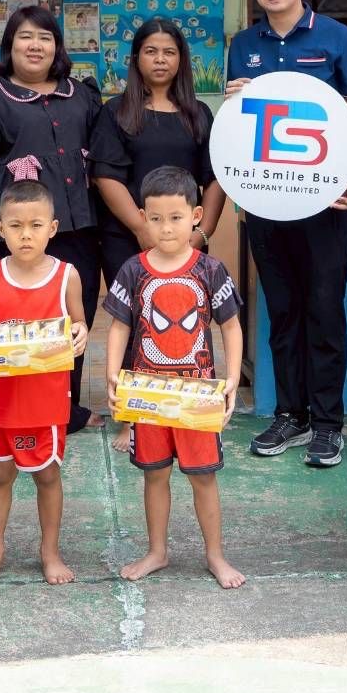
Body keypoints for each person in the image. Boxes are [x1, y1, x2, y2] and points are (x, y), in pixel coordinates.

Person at [225, 0, 347, 467]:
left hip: (324, 202)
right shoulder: (244, 44)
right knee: (282, 312)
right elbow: (244, 123)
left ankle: (328, 423)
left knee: (324, 310)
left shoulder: (338, 37)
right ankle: (291, 415)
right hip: (267, 203)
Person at [0, 5, 104, 433]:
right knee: (14, 321)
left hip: (76, 227)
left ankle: (65, 408)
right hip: (14, 231)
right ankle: (13, 407)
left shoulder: (83, 96)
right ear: (10, 45)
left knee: (71, 317)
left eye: (45, 37)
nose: (35, 45)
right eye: (25, 36)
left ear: (57, 46)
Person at [103, 167, 245, 589]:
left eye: (176, 218)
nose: (166, 228)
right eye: (156, 218)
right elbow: (119, 327)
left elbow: (231, 326)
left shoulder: (210, 270)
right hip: (147, 396)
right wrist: (113, 375)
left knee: (203, 476)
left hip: (198, 396)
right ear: (143, 218)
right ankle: (157, 551)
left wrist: (232, 378)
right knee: (155, 474)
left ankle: (215, 555)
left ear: (196, 216)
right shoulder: (133, 270)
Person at [90, 17, 225, 451]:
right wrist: (141, 228)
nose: (160, 59)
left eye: (169, 52)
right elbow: (106, 175)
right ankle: (133, 417)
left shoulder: (198, 114)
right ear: (136, 59)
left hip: (185, 242)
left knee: (180, 324)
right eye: (151, 51)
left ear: (181, 59)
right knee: (135, 324)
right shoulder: (116, 112)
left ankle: (181, 407)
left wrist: (202, 232)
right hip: (126, 238)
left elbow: (215, 178)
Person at [0, 180, 90, 586]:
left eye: (35, 225)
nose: (25, 234)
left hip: (46, 402)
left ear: (52, 228)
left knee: (47, 476)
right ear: (0, 229)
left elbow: (79, 321)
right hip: (3, 401)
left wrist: (81, 333)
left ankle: (50, 552)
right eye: (15, 226)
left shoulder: (66, 276)